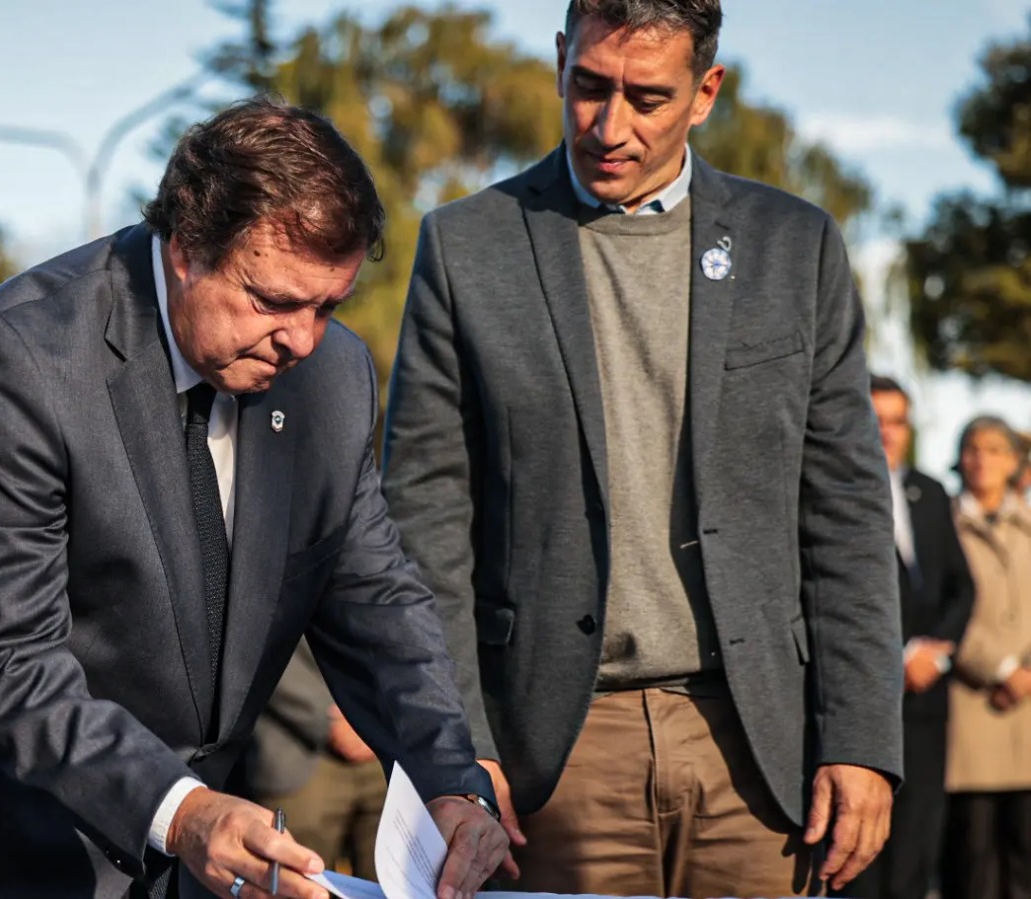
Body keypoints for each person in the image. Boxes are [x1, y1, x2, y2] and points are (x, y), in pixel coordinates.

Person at [0, 97, 507, 899]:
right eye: (273, 300)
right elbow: (5, 658)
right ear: (186, 249)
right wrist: (182, 812)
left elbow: (375, 600)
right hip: (23, 856)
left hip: (200, 876)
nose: (302, 338)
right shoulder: (17, 361)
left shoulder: (332, 377)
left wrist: (450, 783)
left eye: (328, 306)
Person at [380, 1, 902, 896]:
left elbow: (846, 509)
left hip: (759, 748)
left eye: (647, 97)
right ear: (558, 60)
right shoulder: (468, 247)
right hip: (556, 755)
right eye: (588, 85)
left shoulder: (795, 245)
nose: (609, 125)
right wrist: (458, 745)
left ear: (706, 92)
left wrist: (861, 738)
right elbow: (427, 525)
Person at [838, 377, 974, 899]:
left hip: (926, 703)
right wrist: (893, 658)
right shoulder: (832, 491)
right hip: (866, 704)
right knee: (861, 851)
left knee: (918, 846)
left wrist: (931, 652)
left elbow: (962, 587)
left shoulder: (930, 491)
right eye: (876, 419)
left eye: (897, 421)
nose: (887, 433)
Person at [942, 416, 1031, 899]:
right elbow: (942, 608)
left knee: (1024, 855)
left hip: (1028, 713)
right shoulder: (944, 523)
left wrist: (1027, 672)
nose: (983, 459)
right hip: (971, 711)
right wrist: (1000, 668)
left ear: (1015, 461)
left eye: (995, 449)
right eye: (972, 448)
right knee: (971, 859)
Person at [232, 639, 389, 880]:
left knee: (390, 880)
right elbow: (254, 640)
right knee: (297, 882)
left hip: (388, 746)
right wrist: (330, 721)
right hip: (294, 746)